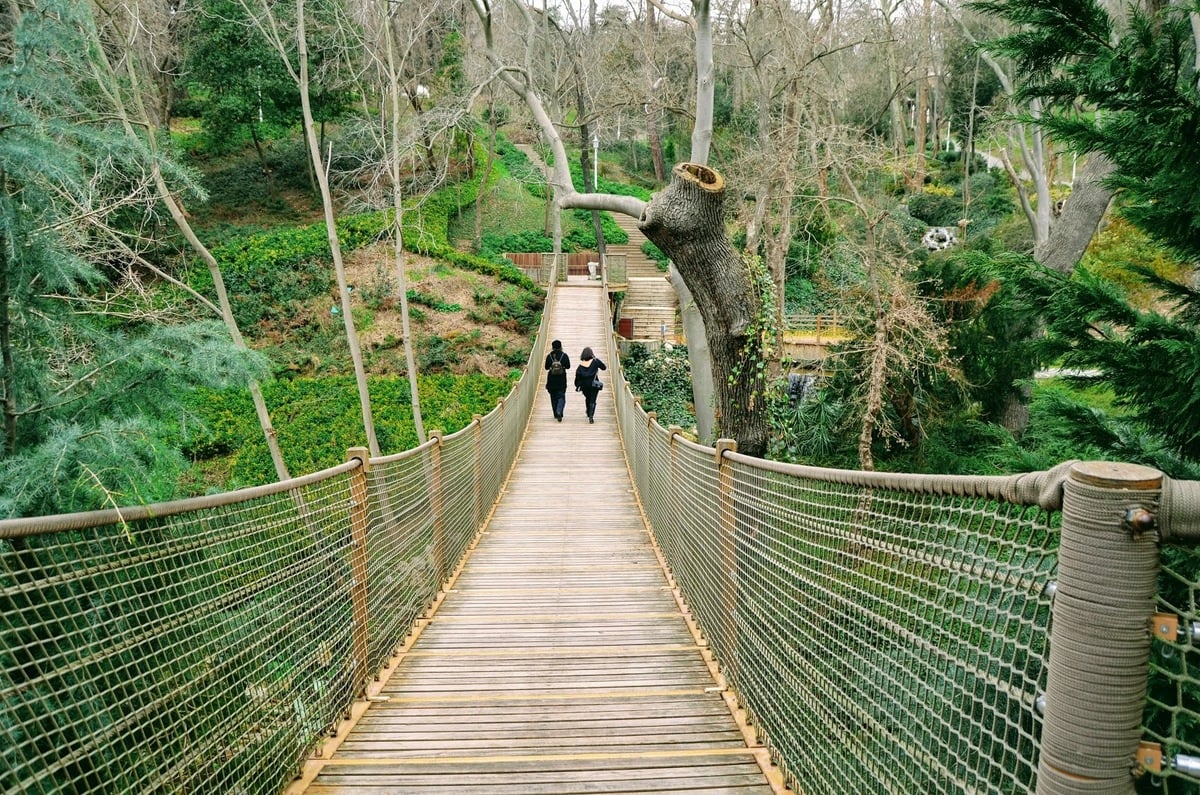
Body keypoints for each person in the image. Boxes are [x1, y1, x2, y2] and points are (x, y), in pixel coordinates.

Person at [573, 346, 608, 424]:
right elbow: (604, 367)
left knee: (587, 398)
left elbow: (578, 376)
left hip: (584, 385)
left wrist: (577, 385)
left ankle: (588, 412)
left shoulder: (581, 365)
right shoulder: (595, 361)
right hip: (594, 384)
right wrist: (595, 359)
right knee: (593, 400)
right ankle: (591, 415)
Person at [544, 340, 570, 422]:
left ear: (552, 347)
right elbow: (568, 366)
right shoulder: (564, 355)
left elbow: (546, 367)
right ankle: (559, 411)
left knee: (553, 397)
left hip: (551, 380)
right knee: (561, 397)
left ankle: (556, 413)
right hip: (561, 380)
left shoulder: (549, 356)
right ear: (561, 346)